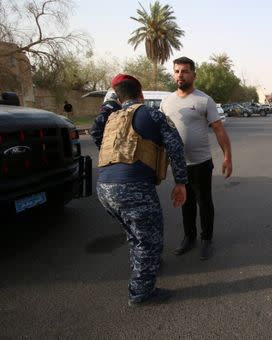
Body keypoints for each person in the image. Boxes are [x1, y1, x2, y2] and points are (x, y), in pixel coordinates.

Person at [96, 74, 188, 307]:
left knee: (135, 233)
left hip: (104, 188)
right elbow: (175, 149)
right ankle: (141, 292)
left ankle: (143, 266)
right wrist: (181, 183)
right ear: (141, 95)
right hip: (133, 188)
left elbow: (99, 139)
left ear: (119, 97)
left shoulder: (112, 117)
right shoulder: (153, 114)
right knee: (149, 241)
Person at [160, 56, 233, 261]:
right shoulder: (166, 102)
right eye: (176, 71)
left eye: (184, 71)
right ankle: (189, 237)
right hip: (179, 164)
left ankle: (206, 239)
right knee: (186, 202)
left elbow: (219, 130)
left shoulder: (204, 100)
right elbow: (160, 131)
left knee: (204, 201)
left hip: (201, 163)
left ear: (193, 74)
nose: (180, 75)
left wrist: (227, 156)